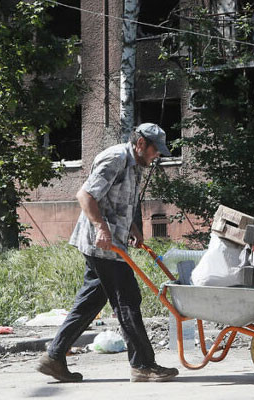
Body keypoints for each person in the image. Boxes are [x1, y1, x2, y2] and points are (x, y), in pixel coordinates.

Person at [37, 123, 179, 383]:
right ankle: (143, 365)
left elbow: (118, 201)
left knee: (92, 300)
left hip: (113, 243)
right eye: (155, 150)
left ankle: (54, 357)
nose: (157, 155)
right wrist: (101, 227)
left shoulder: (135, 165)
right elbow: (86, 195)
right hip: (102, 244)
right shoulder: (115, 158)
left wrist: (133, 227)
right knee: (128, 299)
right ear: (140, 144)